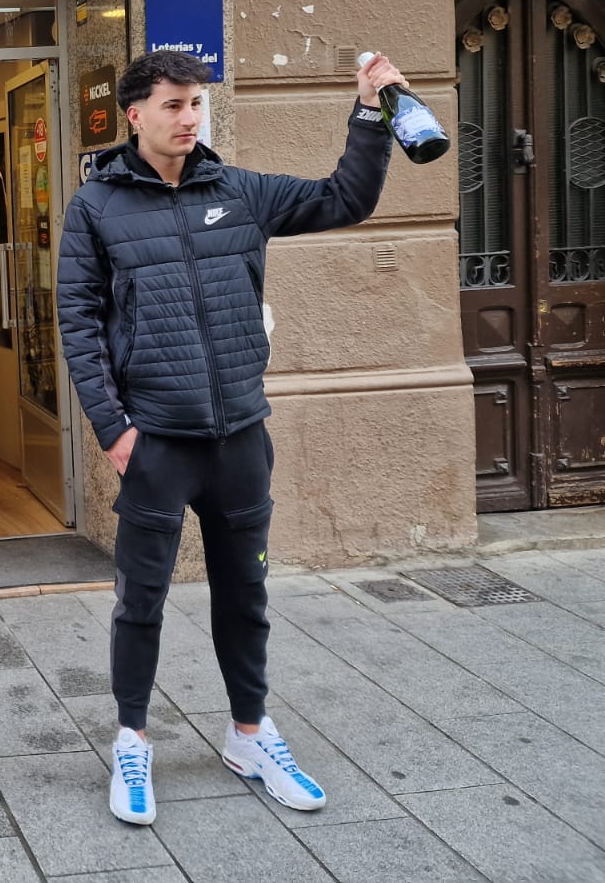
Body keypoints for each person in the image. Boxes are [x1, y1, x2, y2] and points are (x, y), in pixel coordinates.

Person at [56, 49, 398, 826]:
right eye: (174, 104)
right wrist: (115, 430)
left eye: (196, 105)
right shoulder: (97, 206)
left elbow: (345, 198)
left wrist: (372, 112)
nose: (188, 118)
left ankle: (250, 734)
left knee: (246, 594)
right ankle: (132, 741)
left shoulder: (239, 191)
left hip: (240, 435)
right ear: (135, 114)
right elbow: (76, 321)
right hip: (157, 444)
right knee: (140, 601)